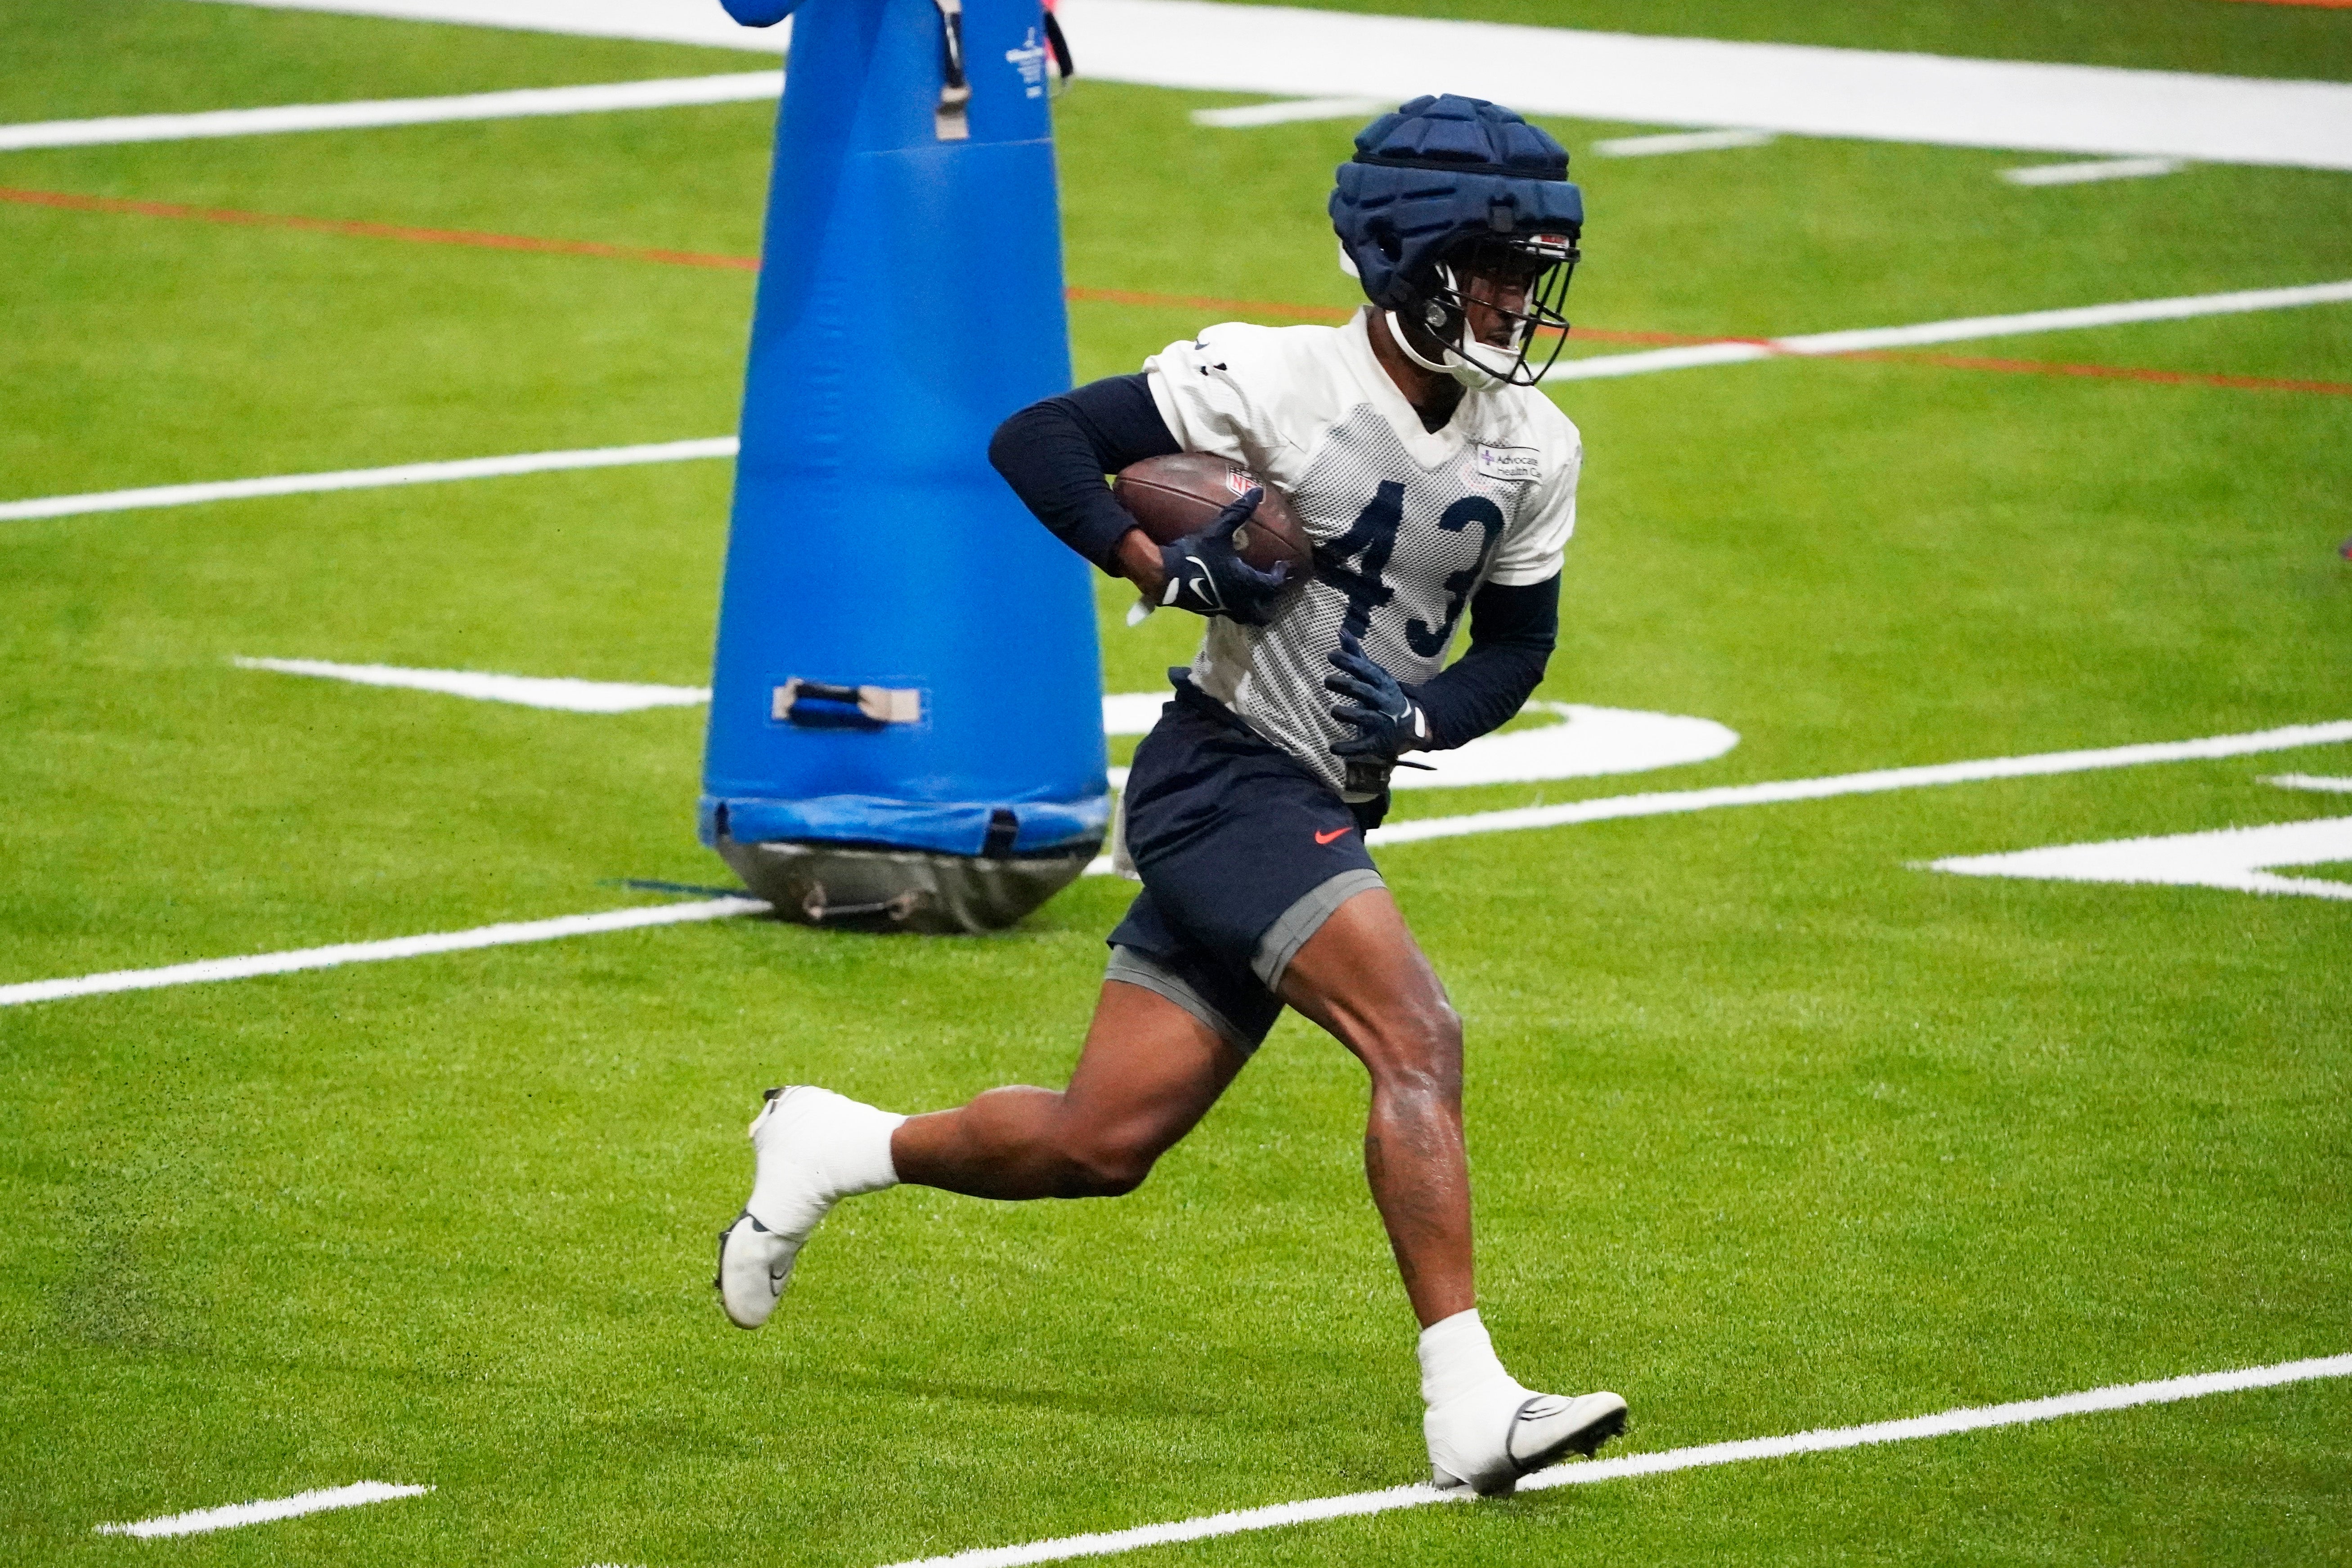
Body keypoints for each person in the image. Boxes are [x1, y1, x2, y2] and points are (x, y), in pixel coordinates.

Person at [714, 94, 1623, 1496]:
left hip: (1321, 796)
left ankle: (835, 1143)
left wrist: (1425, 713)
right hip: (1226, 780)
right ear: (1408, 256)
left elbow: (1518, 645)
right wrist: (1153, 561)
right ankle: (1467, 1402)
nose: (1517, 300)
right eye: (1493, 266)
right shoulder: (1273, 380)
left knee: (1100, 1144)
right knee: (1416, 1036)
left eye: (1531, 272)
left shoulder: (1532, 446)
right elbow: (1040, 440)